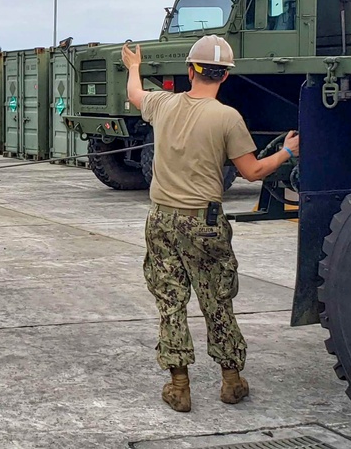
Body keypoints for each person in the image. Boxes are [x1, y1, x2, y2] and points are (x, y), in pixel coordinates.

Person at [122, 35, 299, 413]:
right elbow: (252, 171)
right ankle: (231, 382)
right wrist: (286, 151)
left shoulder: (163, 105)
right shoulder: (227, 118)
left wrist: (134, 66)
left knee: (170, 302)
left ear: (190, 71)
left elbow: (136, 94)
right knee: (217, 302)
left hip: (162, 220)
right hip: (204, 224)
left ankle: (179, 386)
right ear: (225, 77)